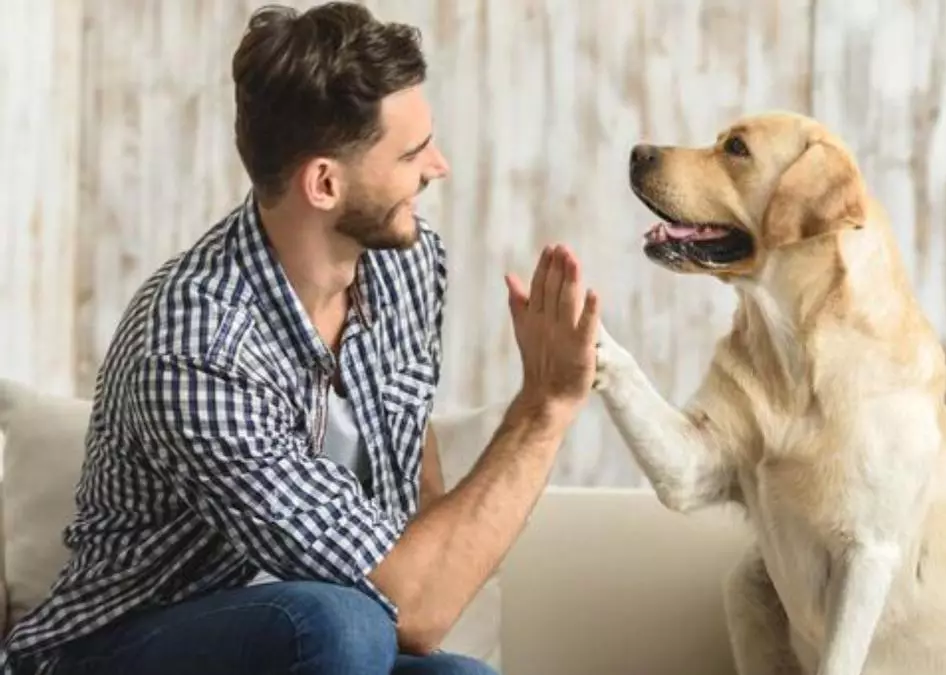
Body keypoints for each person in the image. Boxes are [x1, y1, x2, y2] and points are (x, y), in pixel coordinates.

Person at [1, 3, 600, 674]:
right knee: (338, 622)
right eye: (410, 152)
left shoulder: (406, 263)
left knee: (462, 674)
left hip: (329, 643)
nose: (439, 165)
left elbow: (414, 516)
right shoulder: (196, 345)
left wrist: (422, 571)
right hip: (123, 647)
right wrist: (544, 407)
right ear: (324, 182)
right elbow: (415, 607)